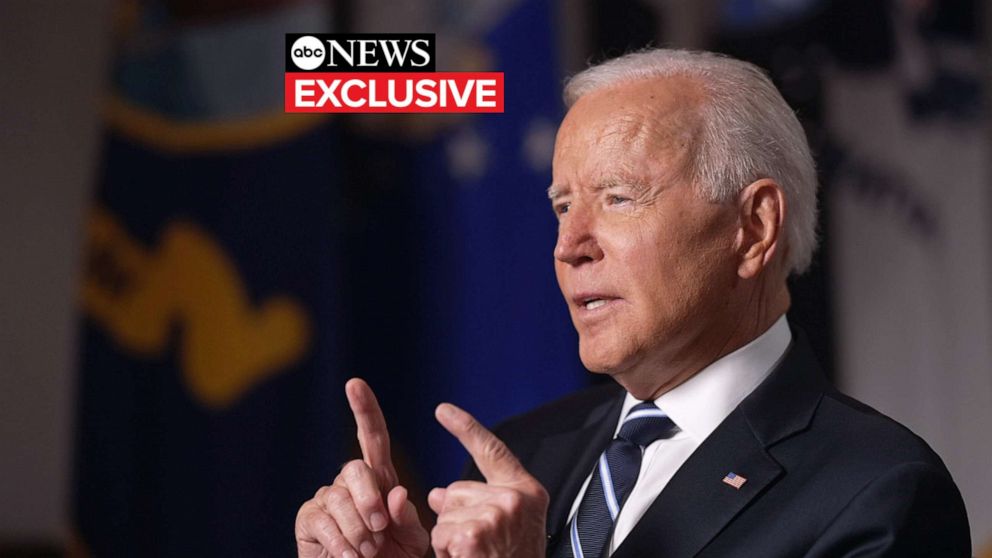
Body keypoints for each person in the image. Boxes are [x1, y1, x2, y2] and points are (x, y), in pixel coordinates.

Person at [295, 49, 971, 558]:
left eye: (617, 197)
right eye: (562, 206)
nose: (569, 246)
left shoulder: (882, 493)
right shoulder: (519, 458)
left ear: (754, 227)